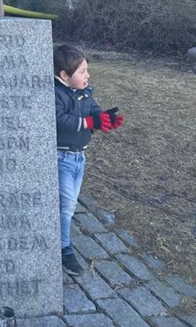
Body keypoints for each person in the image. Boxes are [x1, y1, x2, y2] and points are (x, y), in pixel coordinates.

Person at [54, 43, 124, 276]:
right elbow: (59, 120)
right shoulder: (56, 94)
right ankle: (64, 248)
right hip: (61, 157)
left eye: (87, 70)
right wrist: (88, 123)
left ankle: (55, 233)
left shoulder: (86, 92)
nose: (87, 75)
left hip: (79, 159)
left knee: (68, 205)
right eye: (82, 72)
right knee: (67, 207)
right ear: (64, 75)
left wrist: (105, 118)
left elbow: (94, 110)